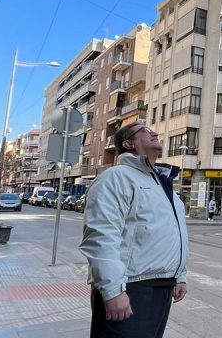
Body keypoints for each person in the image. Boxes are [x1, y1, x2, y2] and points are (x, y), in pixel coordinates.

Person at [79, 122, 189, 337]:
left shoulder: (162, 184)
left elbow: (172, 231)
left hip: (162, 287)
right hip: (130, 288)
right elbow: (101, 235)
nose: (154, 132)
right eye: (145, 131)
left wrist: (180, 276)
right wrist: (112, 291)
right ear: (128, 143)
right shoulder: (116, 177)